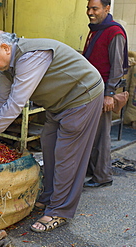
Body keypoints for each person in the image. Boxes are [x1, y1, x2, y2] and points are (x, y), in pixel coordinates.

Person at [0, 30, 104, 232]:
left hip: (82, 97)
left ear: (6, 48)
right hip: (58, 103)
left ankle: (59, 210)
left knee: (66, 154)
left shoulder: (30, 56)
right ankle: (49, 196)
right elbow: (0, 100)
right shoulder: (8, 66)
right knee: (49, 144)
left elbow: (14, 105)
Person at [83, 0, 128, 188]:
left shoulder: (114, 31)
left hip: (103, 92)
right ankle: (92, 170)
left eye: (95, 8)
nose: (90, 12)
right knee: (91, 134)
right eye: (88, 8)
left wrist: (109, 94)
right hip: (91, 90)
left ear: (107, 9)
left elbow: (117, 66)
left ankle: (102, 176)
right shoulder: (97, 29)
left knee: (101, 135)